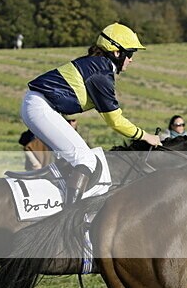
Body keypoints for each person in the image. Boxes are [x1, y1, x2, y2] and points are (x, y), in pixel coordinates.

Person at [21, 23, 161, 206]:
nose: (131, 60)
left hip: (40, 106)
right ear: (117, 53)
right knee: (85, 159)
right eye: (130, 53)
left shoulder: (98, 66)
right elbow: (115, 121)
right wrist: (146, 136)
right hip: (40, 108)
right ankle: (67, 217)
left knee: (75, 159)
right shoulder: (101, 73)